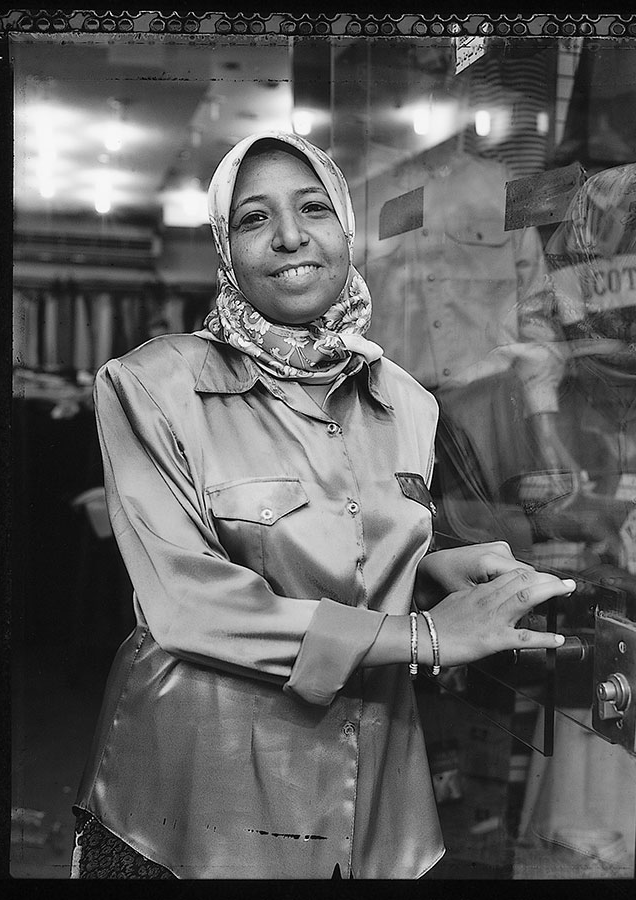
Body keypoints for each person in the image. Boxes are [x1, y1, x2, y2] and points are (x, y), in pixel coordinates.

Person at [70, 131, 574, 879]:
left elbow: (338, 537)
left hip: (373, 801)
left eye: (313, 208)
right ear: (225, 249)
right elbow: (188, 604)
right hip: (194, 805)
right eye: (254, 218)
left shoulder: (405, 401)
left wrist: (426, 563)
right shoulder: (151, 385)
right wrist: (424, 635)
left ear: (346, 227)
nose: (289, 236)